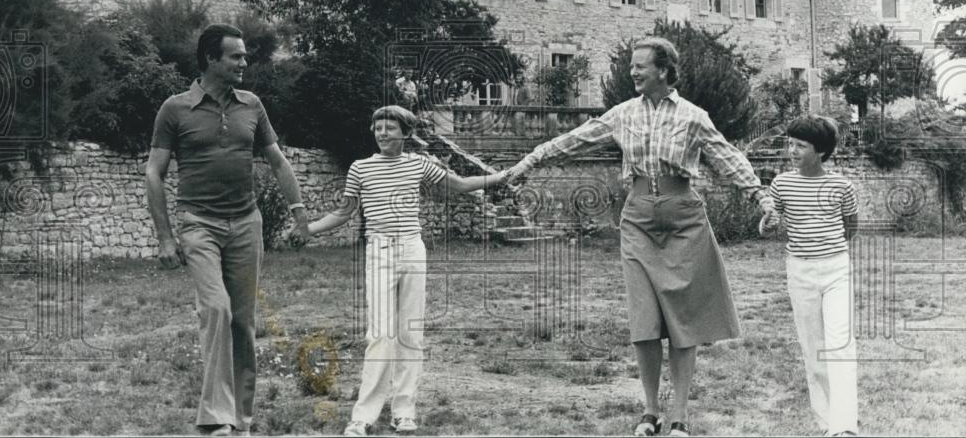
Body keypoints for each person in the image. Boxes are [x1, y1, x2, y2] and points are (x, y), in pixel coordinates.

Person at [506, 37, 774, 437]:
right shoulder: (622, 114)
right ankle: (650, 413)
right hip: (637, 222)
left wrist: (760, 197)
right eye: (632, 66)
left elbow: (727, 157)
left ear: (663, 70)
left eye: (639, 66)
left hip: (684, 220)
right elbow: (574, 140)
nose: (632, 72)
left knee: (682, 320)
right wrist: (528, 161)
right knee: (644, 320)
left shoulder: (693, 116)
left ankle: (679, 415)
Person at [145, 24, 311, 437]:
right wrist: (165, 236)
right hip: (198, 224)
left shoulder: (251, 105)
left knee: (242, 320)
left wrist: (299, 212)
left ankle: (241, 420)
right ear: (210, 60)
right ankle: (216, 416)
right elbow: (155, 172)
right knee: (215, 308)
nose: (243, 63)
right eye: (235, 56)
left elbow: (277, 161)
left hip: (245, 223)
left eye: (243, 56)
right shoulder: (175, 109)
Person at [306, 105, 508, 437]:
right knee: (380, 336)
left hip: (412, 249)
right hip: (379, 251)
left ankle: (404, 411)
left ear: (405, 133)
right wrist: (310, 229)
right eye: (377, 127)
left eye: (389, 127)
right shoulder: (361, 168)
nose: (382, 133)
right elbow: (343, 213)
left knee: (409, 335)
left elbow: (456, 184)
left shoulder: (418, 164)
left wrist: (497, 177)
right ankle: (363, 416)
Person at [761, 116, 859, 437]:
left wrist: (830, 250)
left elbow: (850, 227)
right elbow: (772, 222)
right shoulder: (782, 183)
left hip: (835, 269)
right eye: (791, 143)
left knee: (840, 345)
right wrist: (768, 224)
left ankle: (844, 426)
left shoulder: (842, 186)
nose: (792, 150)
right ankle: (826, 422)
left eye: (800, 146)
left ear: (821, 151)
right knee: (813, 349)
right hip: (800, 270)